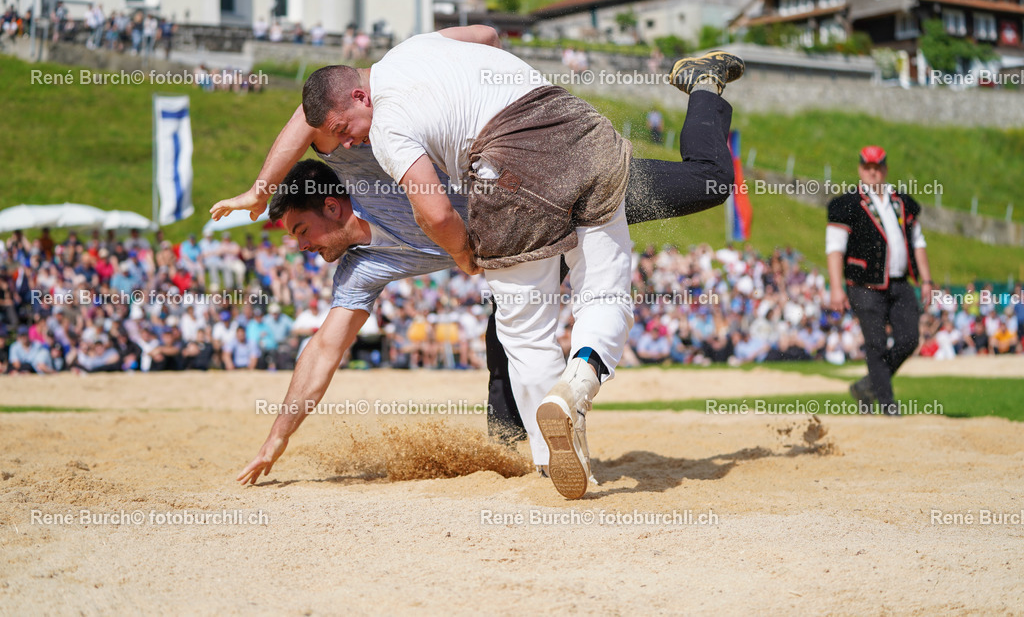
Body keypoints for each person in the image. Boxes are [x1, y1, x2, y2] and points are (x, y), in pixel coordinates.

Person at [219, 31, 741, 499]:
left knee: (711, 183)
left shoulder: (363, 147)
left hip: (533, 178)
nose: (302, 248)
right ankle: (529, 455)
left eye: (301, 232)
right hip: (524, 217)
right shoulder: (362, 268)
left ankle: (702, 85)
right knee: (509, 333)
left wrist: (260, 190)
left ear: (331, 205)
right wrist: (276, 439)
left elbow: (314, 106)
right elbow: (322, 350)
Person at [826, 146, 934, 415]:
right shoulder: (847, 205)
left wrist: (927, 280)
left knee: (909, 339)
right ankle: (887, 404)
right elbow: (834, 249)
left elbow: (918, 243)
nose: (873, 172)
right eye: (867, 167)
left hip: (899, 283)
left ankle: (866, 386)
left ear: (885, 168)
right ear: (860, 169)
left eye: (878, 167)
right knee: (875, 344)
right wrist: (836, 287)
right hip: (863, 286)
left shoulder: (903, 203)